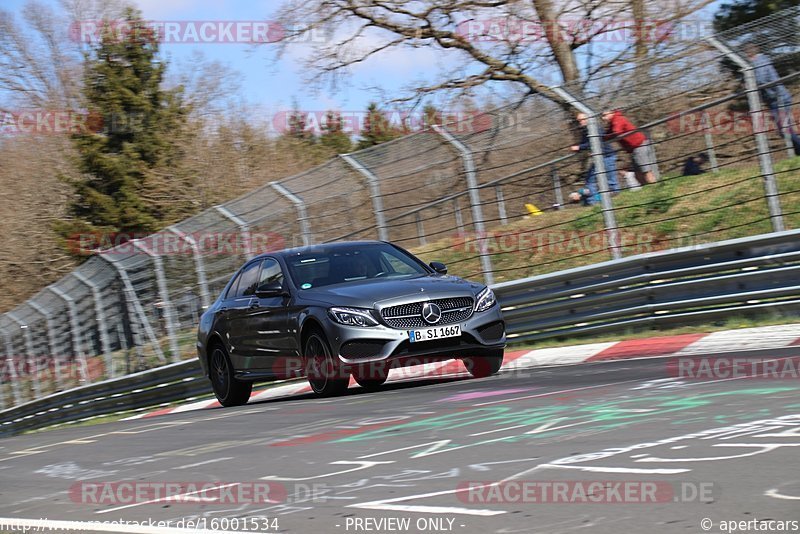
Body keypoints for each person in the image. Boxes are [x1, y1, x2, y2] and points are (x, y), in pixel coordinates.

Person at [744, 43, 800, 156]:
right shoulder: (759, 61)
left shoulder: (759, 61)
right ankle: (798, 152)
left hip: (779, 99)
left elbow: (761, 80)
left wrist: (748, 84)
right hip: (774, 100)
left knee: (784, 129)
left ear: (749, 53)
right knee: (783, 129)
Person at [570, 112, 620, 206]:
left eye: (582, 119)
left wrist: (579, 147)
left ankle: (617, 200)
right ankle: (593, 202)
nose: (580, 122)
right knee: (590, 179)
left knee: (611, 180)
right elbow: (584, 142)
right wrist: (578, 147)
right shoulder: (585, 130)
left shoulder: (595, 128)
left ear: (588, 119)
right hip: (598, 157)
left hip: (606, 156)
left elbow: (594, 142)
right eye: (579, 120)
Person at [602, 109, 657, 184]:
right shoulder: (613, 123)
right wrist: (603, 137)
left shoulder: (617, 119)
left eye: (605, 115)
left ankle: (654, 186)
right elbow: (608, 134)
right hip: (634, 148)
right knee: (637, 173)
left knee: (645, 170)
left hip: (638, 145)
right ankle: (647, 189)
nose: (603, 118)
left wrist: (606, 137)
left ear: (612, 113)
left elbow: (616, 132)